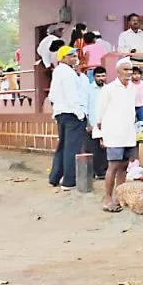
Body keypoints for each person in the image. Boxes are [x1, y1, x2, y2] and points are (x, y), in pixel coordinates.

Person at [96, 58, 137, 212]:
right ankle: (107, 199)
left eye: (130, 69)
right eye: (126, 69)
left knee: (124, 165)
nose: (129, 73)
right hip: (113, 133)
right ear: (118, 71)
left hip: (128, 132)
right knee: (113, 166)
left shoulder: (132, 88)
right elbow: (99, 113)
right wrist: (100, 134)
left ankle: (120, 197)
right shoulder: (109, 89)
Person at [47, 45, 88, 190]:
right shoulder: (68, 74)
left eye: (75, 55)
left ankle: (54, 177)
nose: (75, 58)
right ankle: (69, 181)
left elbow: (51, 95)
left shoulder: (58, 72)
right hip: (72, 114)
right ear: (63, 57)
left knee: (63, 146)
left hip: (60, 113)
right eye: (72, 56)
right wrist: (80, 114)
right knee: (72, 147)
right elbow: (72, 97)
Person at [85, 66, 109, 180]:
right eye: (98, 76)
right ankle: (94, 172)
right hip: (93, 123)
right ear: (94, 77)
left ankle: (103, 171)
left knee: (104, 148)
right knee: (93, 148)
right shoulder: (89, 89)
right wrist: (88, 123)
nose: (101, 78)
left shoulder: (108, 89)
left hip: (105, 122)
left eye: (103, 76)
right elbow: (86, 107)